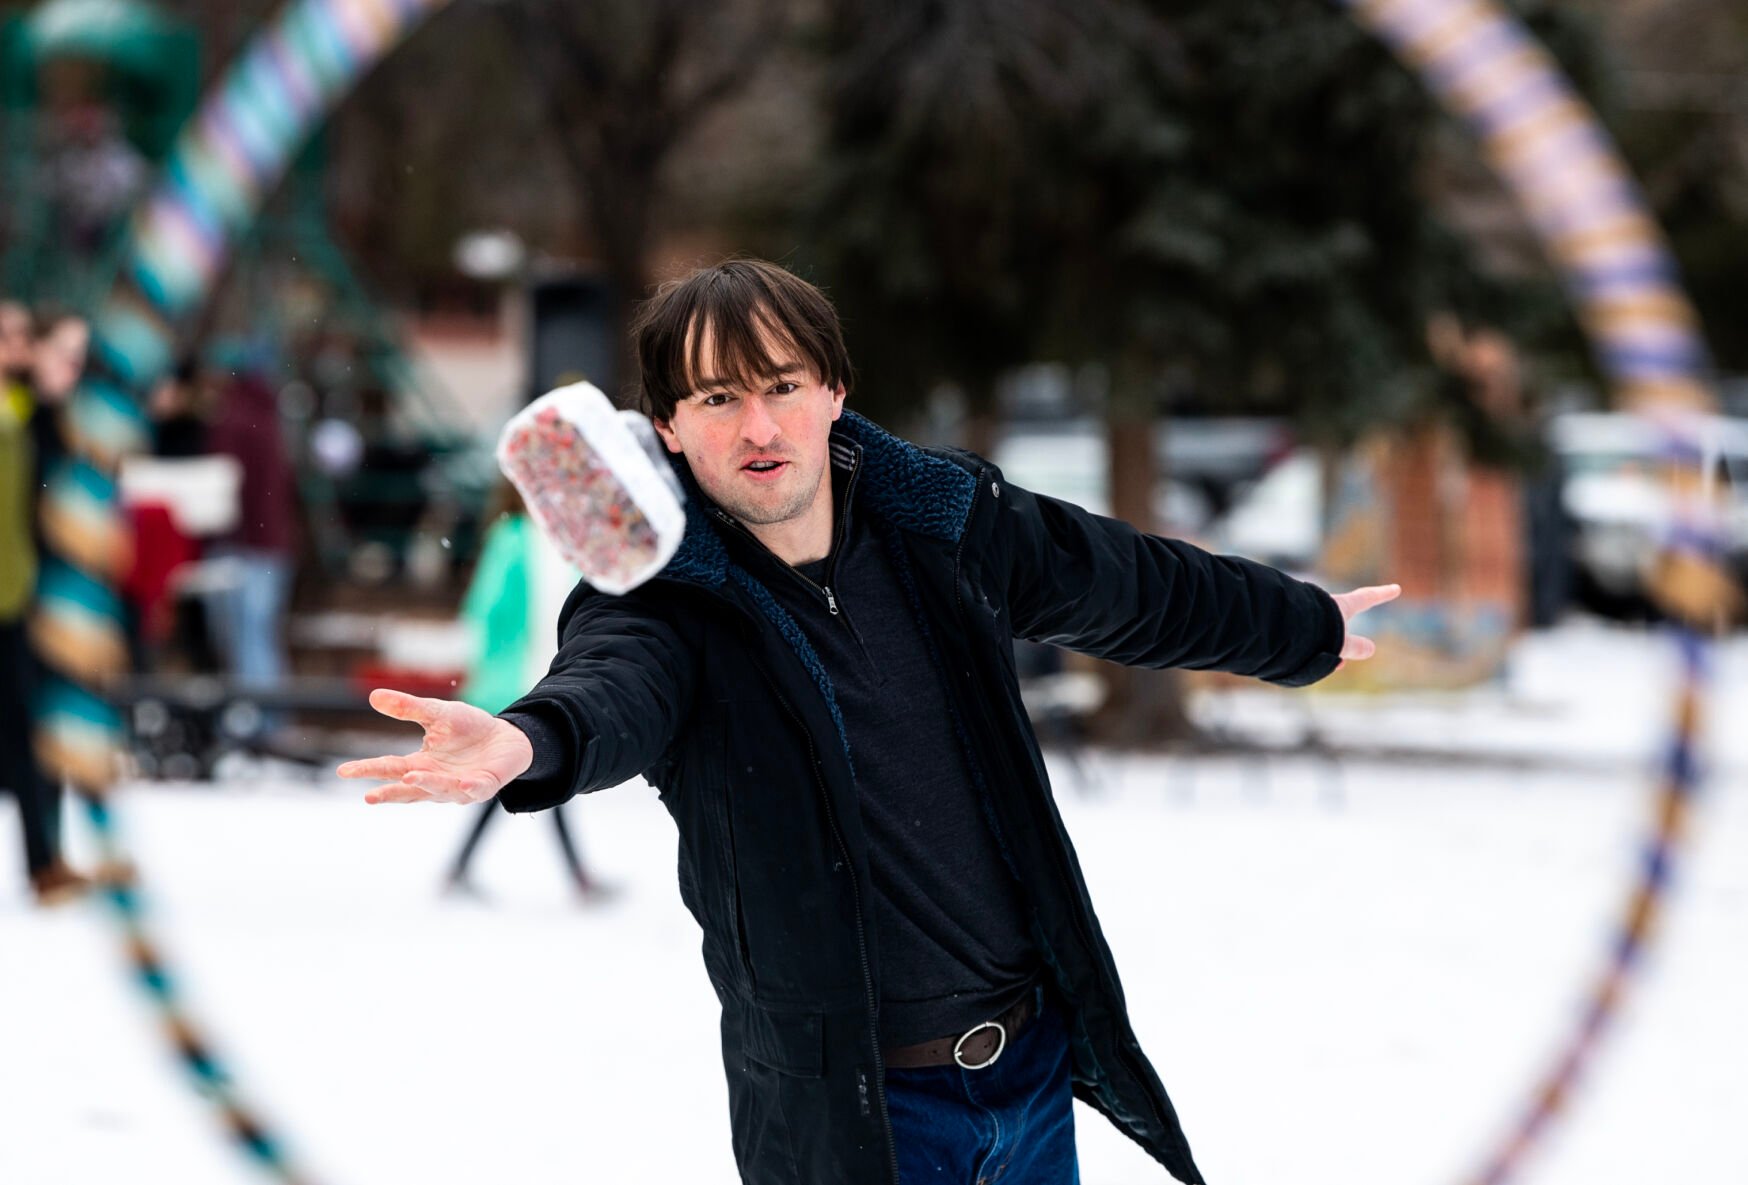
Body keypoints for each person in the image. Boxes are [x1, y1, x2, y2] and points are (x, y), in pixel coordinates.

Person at [340, 260, 1399, 1185]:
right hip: (856, 1120)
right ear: (665, 425)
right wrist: (531, 743)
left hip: (1028, 1081)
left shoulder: (943, 531)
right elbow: (613, 686)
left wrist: (1296, 625)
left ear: (833, 392)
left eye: (781, 387)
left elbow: (1114, 577)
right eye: (716, 398)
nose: (758, 427)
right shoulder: (664, 606)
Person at [442, 479, 607, 901]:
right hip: (513, 680)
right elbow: (487, 608)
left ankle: (463, 867)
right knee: (525, 774)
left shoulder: (560, 541)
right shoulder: (515, 538)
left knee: (520, 776)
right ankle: (578, 876)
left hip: (543, 677)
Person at [0, 303, 89, 905]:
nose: (14, 345)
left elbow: (58, 489)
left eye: (19, 337)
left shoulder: (28, 414)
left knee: (34, 732)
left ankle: (46, 859)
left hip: (19, 598)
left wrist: (52, 401)